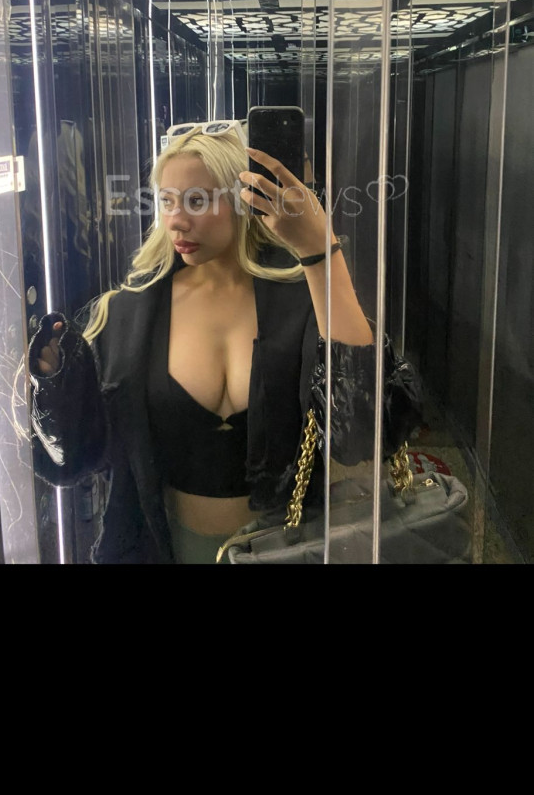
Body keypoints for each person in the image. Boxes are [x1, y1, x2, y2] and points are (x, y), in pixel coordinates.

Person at [28, 122, 422, 564]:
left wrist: (321, 252)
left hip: (292, 551)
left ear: (244, 200)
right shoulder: (125, 316)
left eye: (197, 200)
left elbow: (364, 435)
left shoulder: (307, 303)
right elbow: (78, 460)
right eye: (166, 201)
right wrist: (55, 390)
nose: (176, 220)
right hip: (163, 549)